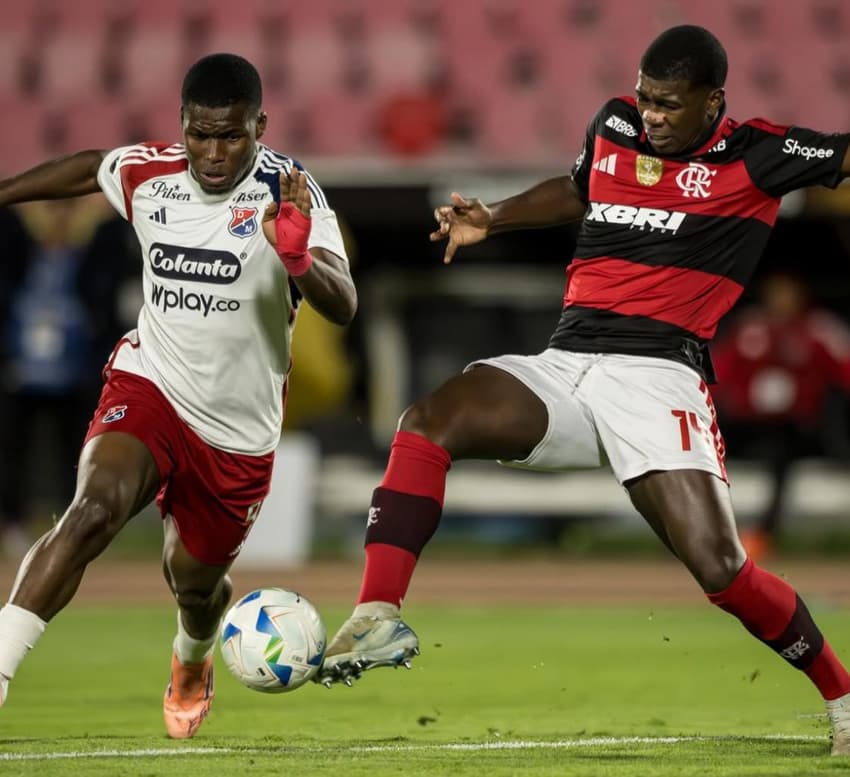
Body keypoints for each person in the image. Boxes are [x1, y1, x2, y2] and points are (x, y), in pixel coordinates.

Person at [316, 25, 850, 756]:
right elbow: (577, 190)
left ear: (712, 103)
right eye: (646, 98)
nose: (652, 114)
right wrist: (494, 217)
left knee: (721, 569)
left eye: (669, 104)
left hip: (660, 375)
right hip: (568, 361)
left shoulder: (758, 153)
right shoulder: (616, 125)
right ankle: (378, 610)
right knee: (429, 418)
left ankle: (842, 693)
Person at [0, 53, 357, 739]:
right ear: (182, 126)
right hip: (152, 384)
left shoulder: (292, 190)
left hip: (237, 433)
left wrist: (298, 257)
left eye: (231, 135)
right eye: (199, 133)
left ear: (260, 125)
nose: (213, 152)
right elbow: (89, 166)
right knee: (91, 511)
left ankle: (192, 659)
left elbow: (343, 304)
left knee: (194, 585)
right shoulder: (151, 172)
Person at [712, 271, 850, 561]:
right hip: (746, 424)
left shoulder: (818, 329)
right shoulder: (749, 327)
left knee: (780, 456)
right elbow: (719, 372)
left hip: (795, 428)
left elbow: (843, 369)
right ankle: (707, 535)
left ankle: (761, 535)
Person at [0, 200, 99, 560]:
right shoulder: (20, 259)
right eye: (51, 209)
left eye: (65, 209)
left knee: (77, 454)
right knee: (13, 452)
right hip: (22, 371)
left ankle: (74, 528)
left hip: (71, 372)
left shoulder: (85, 261)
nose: (57, 218)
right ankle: (14, 524)